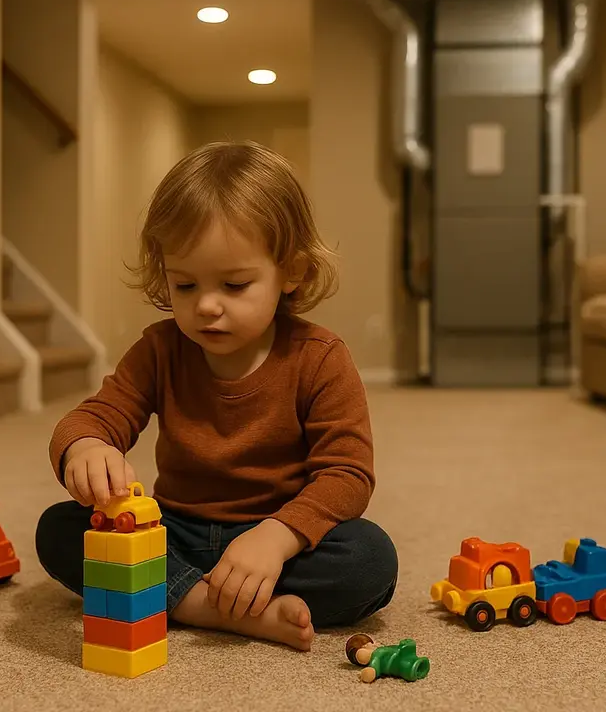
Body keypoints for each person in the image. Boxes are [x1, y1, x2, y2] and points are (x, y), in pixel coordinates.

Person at [35, 141, 398, 651]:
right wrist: (87, 447)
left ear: (291, 271)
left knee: (369, 559)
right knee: (59, 529)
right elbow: (95, 416)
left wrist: (276, 538)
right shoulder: (160, 350)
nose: (207, 306)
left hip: (276, 536)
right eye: (185, 286)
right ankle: (215, 608)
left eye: (234, 284)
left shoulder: (318, 357)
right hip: (172, 532)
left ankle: (180, 598)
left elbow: (347, 474)